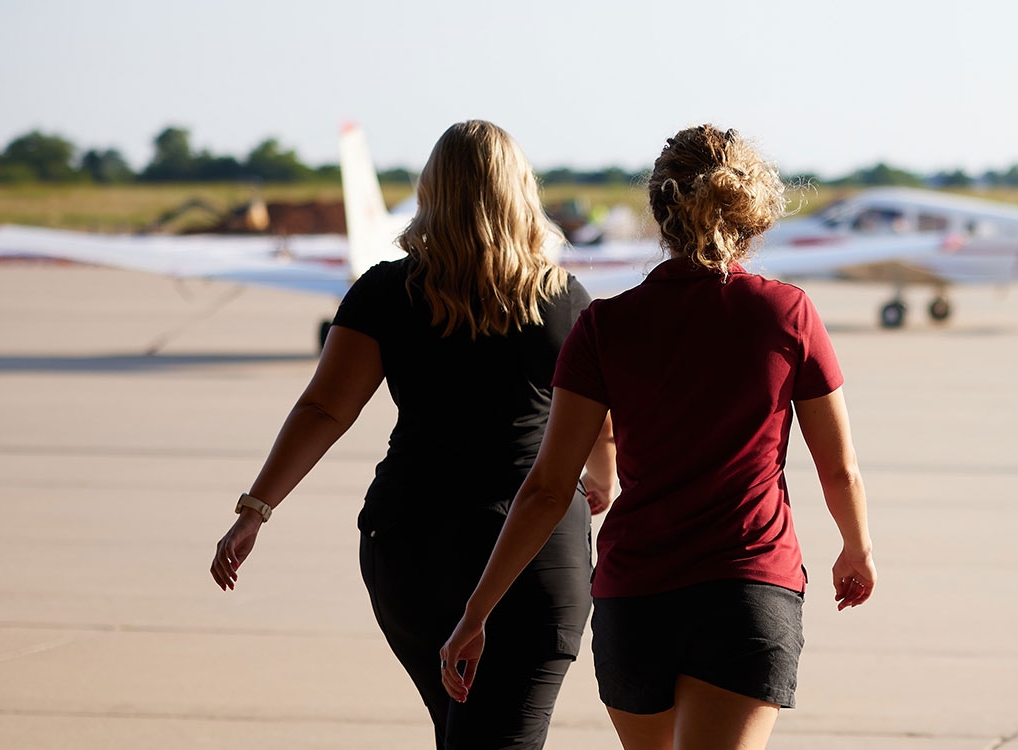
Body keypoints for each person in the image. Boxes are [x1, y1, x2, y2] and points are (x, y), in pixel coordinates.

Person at [439, 124, 878, 750]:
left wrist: (475, 614)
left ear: (660, 212)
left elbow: (547, 488)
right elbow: (841, 470)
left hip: (636, 600)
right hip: (747, 587)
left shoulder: (604, 326)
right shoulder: (786, 314)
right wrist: (856, 546)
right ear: (755, 213)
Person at [208, 120, 612, 750]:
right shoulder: (561, 300)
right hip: (528, 553)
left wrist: (256, 509)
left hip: (412, 549)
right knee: (498, 735)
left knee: (462, 729)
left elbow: (324, 409)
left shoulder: (385, 293)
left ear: (431, 193)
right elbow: (600, 417)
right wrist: (602, 476)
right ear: (520, 193)